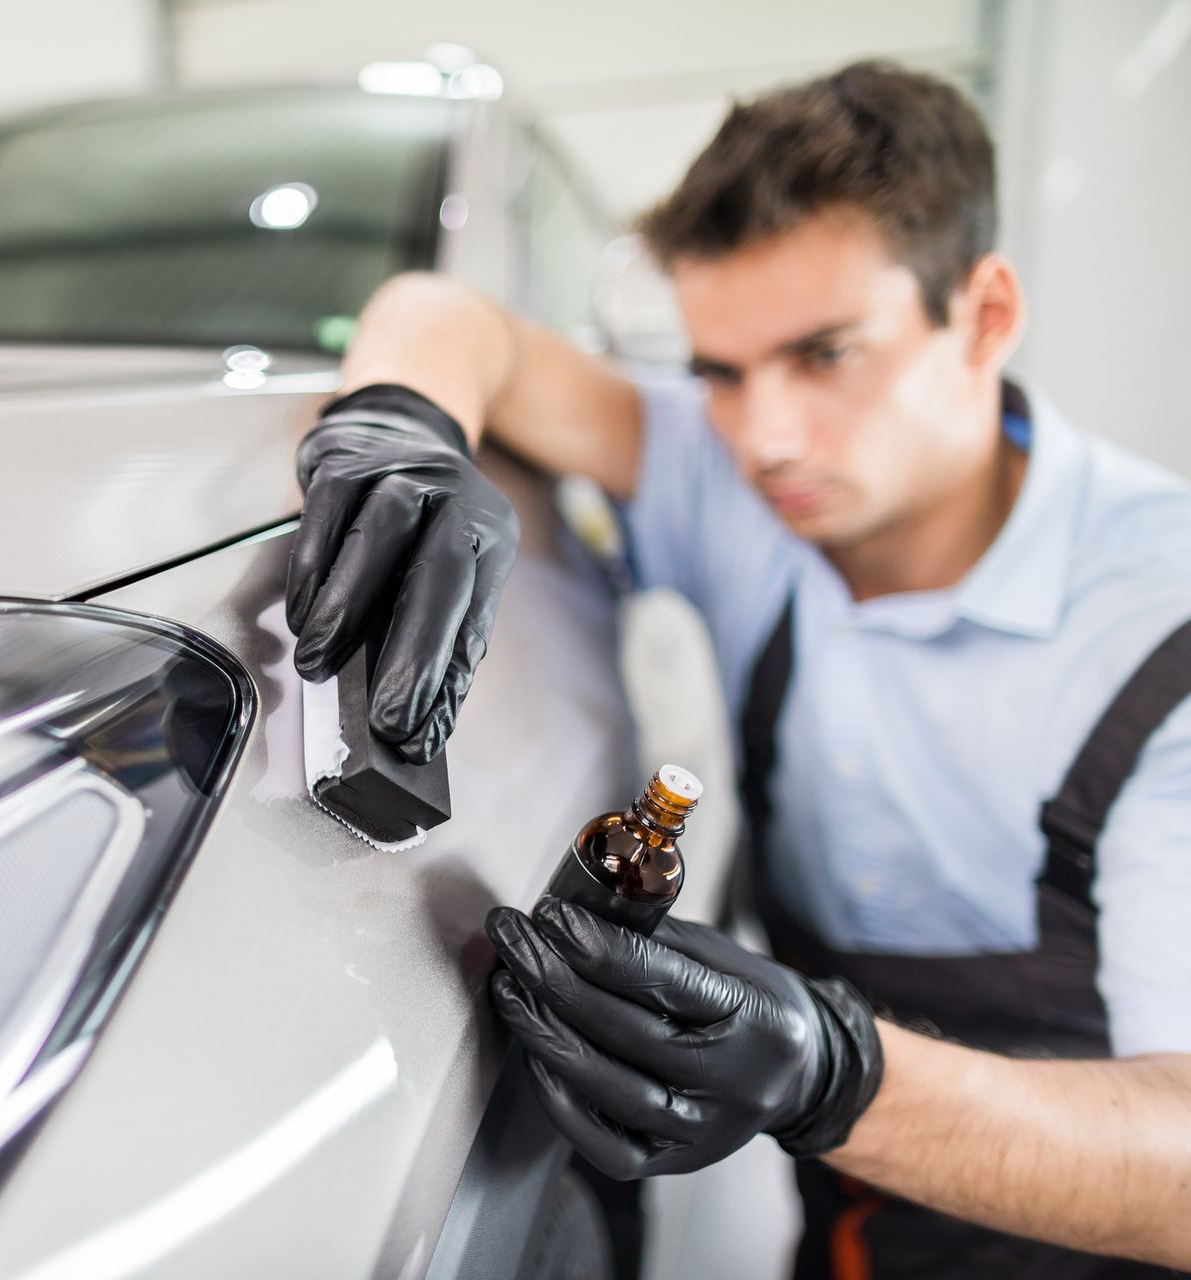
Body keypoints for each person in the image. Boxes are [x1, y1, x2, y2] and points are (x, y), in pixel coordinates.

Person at [286, 61, 1191, 1277]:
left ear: (981, 316)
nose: (764, 436)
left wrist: (839, 1072)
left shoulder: (1156, 629)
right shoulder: (745, 488)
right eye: (719, 369)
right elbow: (455, 321)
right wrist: (400, 418)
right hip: (857, 1217)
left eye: (827, 354)